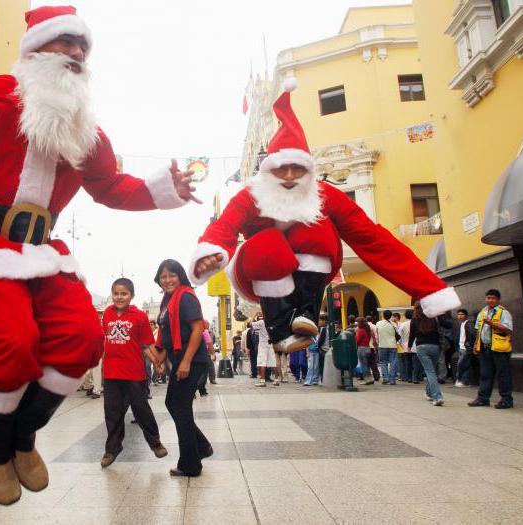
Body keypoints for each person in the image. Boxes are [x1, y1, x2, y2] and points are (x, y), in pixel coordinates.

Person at [0, 5, 200, 505]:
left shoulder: (86, 130)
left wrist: (165, 189)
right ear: (34, 49)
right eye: (66, 44)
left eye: (83, 48)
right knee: (12, 343)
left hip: (45, 249)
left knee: (79, 339)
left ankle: (22, 437)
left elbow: (110, 185)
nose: (76, 54)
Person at [189, 81, 459, 356]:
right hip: (258, 268)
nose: (291, 177)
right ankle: (280, 329)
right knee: (269, 243)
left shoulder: (324, 194)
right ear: (269, 171)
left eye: (298, 169)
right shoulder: (252, 195)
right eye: (282, 169)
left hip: (310, 270)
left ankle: (305, 312)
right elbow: (224, 226)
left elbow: (373, 239)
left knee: (316, 229)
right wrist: (210, 253)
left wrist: (429, 289)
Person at [100, 278, 167, 468]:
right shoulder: (107, 313)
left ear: (132, 296)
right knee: (112, 412)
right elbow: (105, 340)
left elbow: (146, 344)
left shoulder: (139, 316)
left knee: (141, 409)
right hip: (112, 373)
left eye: (124, 294)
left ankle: (155, 443)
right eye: (116, 293)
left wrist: (157, 361)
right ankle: (112, 449)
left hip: (134, 373)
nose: (119, 297)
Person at [154, 260, 212, 477]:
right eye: (163, 276)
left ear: (180, 277)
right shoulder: (167, 300)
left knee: (180, 407)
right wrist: (159, 355)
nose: (167, 280)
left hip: (192, 358)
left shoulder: (185, 296)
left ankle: (191, 464)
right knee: (175, 404)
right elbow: (165, 334)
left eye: (172, 275)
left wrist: (186, 361)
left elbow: (198, 329)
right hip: (179, 358)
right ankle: (201, 446)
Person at [468, 289, 514, 409]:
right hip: (485, 348)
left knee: (503, 375)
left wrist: (492, 324)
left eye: (493, 298)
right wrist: (476, 345)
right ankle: (483, 399)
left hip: (499, 348)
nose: (490, 300)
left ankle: (506, 399)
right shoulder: (483, 312)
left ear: (498, 300)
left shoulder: (503, 312)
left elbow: (508, 329)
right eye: (488, 298)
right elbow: (479, 330)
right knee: (485, 374)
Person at [409, 302, 451, 406]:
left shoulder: (415, 320)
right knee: (432, 371)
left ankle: (437, 396)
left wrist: (409, 346)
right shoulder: (434, 318)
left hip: (421, 347)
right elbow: (449, 325)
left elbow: (412, 335)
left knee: (430, 372)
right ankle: (429, 393)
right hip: (435, 346)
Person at [251, 314, 279, 387]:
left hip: (263, 345)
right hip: (270, 344)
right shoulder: (273, 322)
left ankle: (262, 381)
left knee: (261, 362)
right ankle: (276, 379)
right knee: (273, 362)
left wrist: (253, 316)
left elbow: (251, 324)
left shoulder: (261, 322)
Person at [453, 309, 476, 387]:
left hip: (466, 348)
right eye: (458, 314)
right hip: (461, 347)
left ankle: (462, 381)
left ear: (466, 315)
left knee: (461, 364)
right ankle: (464, 381)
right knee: (465, 364)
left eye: (461, 314)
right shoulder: (461, 324)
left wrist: (469, 346)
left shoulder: (468, 323)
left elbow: (472, 335)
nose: (460, 316)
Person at [376, 310, 399, 385]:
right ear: (391, 316)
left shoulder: (378, 323)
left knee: (383, 362)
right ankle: (392, 379)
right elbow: (397, 334)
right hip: (392, 345)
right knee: (393, 362)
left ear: (383, 315)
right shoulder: (394, 324)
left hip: (382, 345)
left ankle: (385, 378)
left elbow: (377, 334)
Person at [355, 317, 376, 386]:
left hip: (362, 349)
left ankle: (367, 379)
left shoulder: (360, 330)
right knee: (367, 364)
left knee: (363, 365)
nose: (357, 324)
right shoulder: (367, 329)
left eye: (357, 322)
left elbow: (357, 340)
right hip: (367, 348)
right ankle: (370, 378)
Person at [398, 310, 413, 383]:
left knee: (408, 362)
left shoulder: (403, 324)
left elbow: (399, 335)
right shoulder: (416, 323)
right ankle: (417, 377)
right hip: (415, 345)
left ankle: (409, 377)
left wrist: (400, 343)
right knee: (416, 362)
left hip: (406, 345)